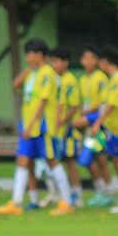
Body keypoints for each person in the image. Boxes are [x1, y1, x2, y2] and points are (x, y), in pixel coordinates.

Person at [0, 38, 70, 215]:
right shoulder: (33, 73)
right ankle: (16, 202)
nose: (27, 58)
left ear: (39, 55)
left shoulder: (47, 73)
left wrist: (32, 125)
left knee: (53, 161)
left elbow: (43, 102)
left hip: (41, 127)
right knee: (22, 160)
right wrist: (30, 68)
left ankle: (66, 203)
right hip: (28, 127)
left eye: (30, 54)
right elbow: (15, 85)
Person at [88, 45, 118, 214]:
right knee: (109, 160)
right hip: (110, 128)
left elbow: (112, 104)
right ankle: (114, 195)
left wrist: (97, 122)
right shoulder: (111, 79)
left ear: (105, 61)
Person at [75, 46, 113, 206]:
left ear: (98, 61)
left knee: (101, 159)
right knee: (89, 159)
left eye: (92, 58)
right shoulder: (83, 79)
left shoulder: (101, 78)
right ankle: (102, 190)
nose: (88, 61)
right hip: (88, 123)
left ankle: (108, 193)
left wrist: (86, 113)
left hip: (99, 122)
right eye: (86, 58)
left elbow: (103, 103)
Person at [49, 46, 85, 210]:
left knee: (70, 162)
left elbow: (73, 105)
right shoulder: (55, 79)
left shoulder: (70, 80)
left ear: (66, 62)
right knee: (55, 161)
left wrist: (61, 122)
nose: (53, 64)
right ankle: (58, 194)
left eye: (56, 61)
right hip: (57, 130)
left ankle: (78, 196)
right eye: (52, 61)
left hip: (69, 131)